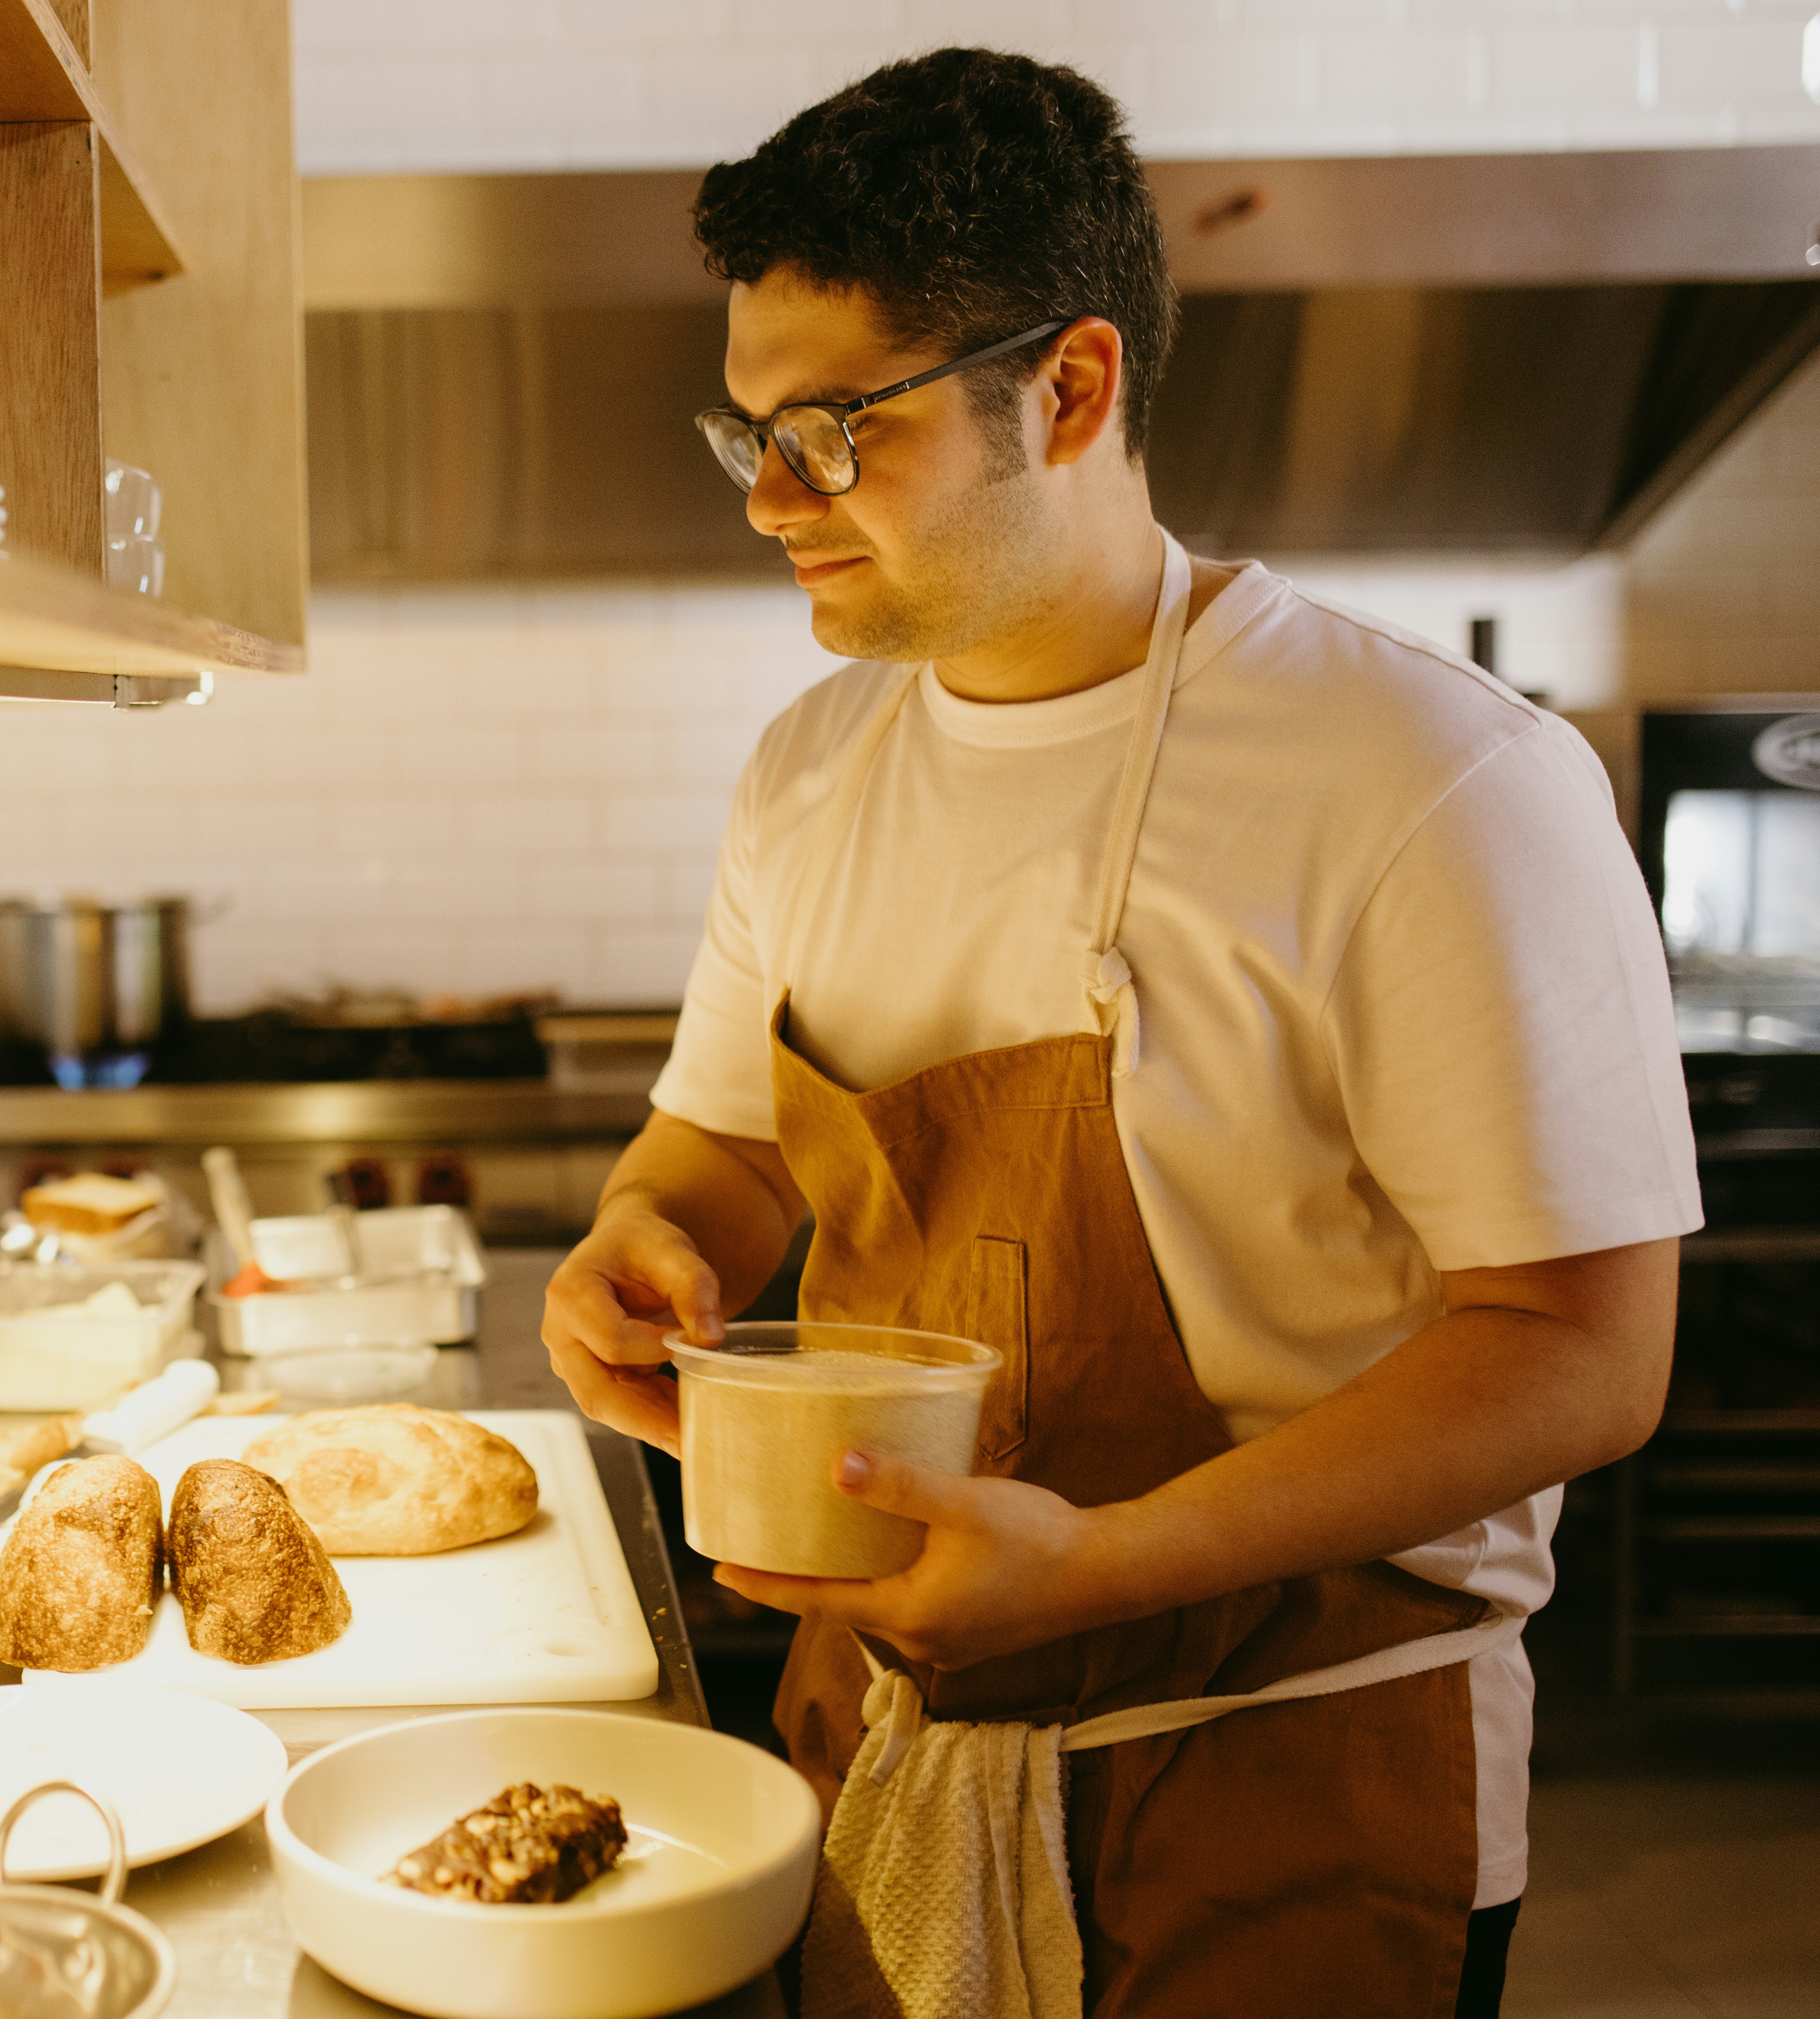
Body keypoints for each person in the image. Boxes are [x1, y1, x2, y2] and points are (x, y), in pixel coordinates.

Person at [538, 47, 1697, 2019]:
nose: (775, 507)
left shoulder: (1432, 779)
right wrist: (645, 1248)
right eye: (749, 438)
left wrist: (1093, 1560)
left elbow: (1584, 1352)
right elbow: (723, 1147)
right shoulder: (812, 769)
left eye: (833, 431)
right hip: (889, 1742)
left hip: (1295, 1782)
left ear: (1069, 388)